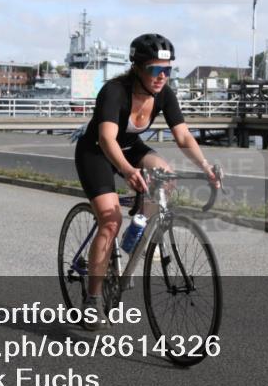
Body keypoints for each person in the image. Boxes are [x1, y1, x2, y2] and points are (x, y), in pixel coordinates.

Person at [73, 33, 219, 330]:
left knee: (165, 176)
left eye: (168, 70)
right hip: (97, 152)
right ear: (138, 68)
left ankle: (137, 229)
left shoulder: (164, 94)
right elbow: (106, 138)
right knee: (110, 221)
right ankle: (92, 298)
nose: (162, 76)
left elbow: (183, 136)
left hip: (131, 147)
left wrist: (204, 166)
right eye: (155, 69)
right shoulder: (114, 91)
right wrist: (127, 171)